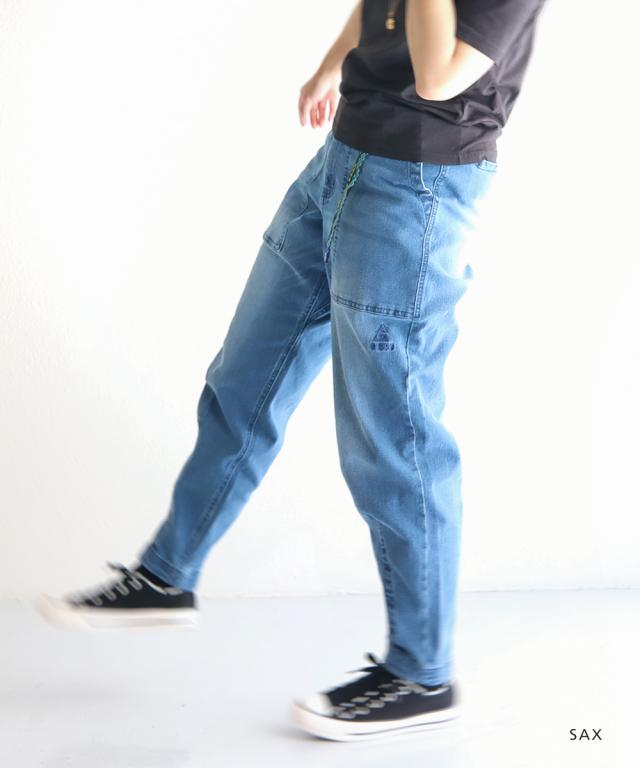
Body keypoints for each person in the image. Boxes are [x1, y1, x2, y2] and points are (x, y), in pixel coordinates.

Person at [37, 0, 547, 742]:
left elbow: (439, 76)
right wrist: (332, 65)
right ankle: (166, 576)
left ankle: (421, 674)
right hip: (340, 164)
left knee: (394, 443)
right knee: (242, 382)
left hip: (418, 190)